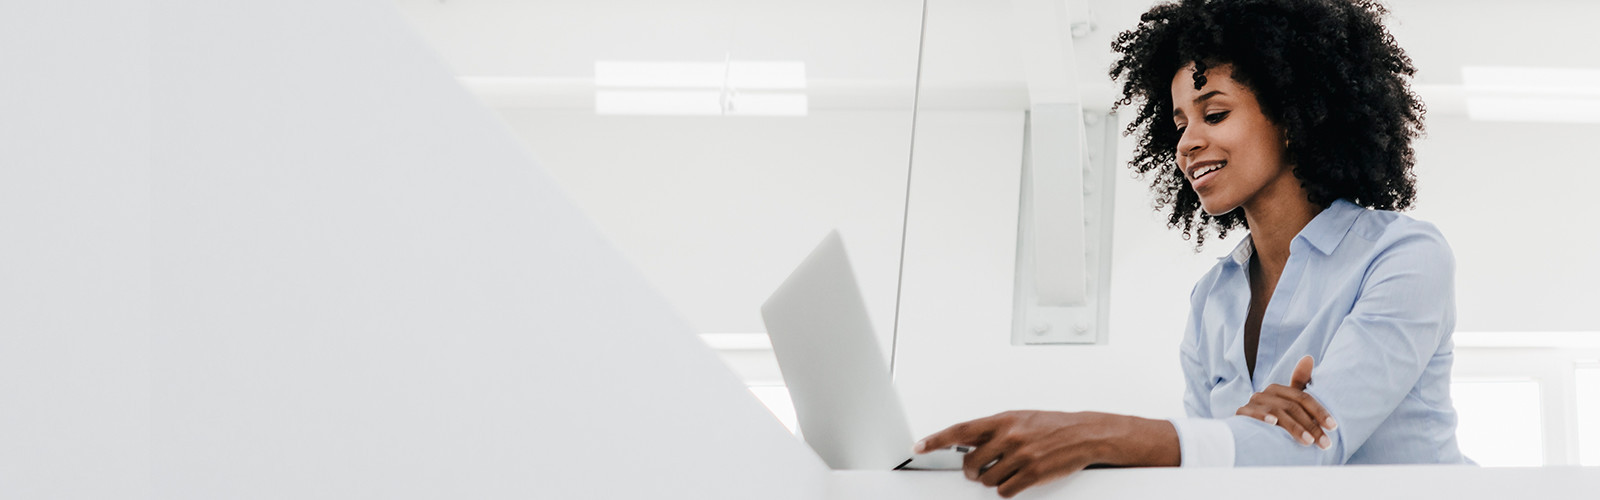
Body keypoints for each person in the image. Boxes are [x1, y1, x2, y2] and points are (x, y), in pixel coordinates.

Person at [912, 0, 1471, 497]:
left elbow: (1309, 449)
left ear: (1295, 117)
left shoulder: (1403, 256)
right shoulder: (1214, 298)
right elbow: (1214, 475)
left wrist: (1094, 432)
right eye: (1180, 123)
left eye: (1215, 113)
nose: (1187, 144)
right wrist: (1241, 435)